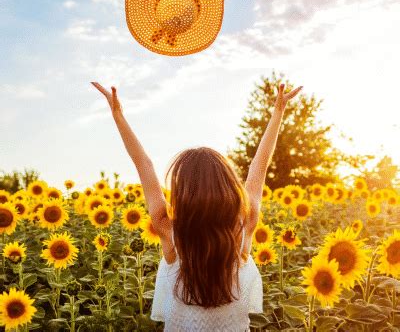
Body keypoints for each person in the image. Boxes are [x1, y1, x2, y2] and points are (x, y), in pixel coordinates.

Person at [91, 81, 302, 331]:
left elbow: (144, 165)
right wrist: (278, 113)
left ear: (183, 195)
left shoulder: (172, 236)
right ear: (227, 189)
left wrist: (118, 116)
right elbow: (260, 165)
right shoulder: (241, 234)